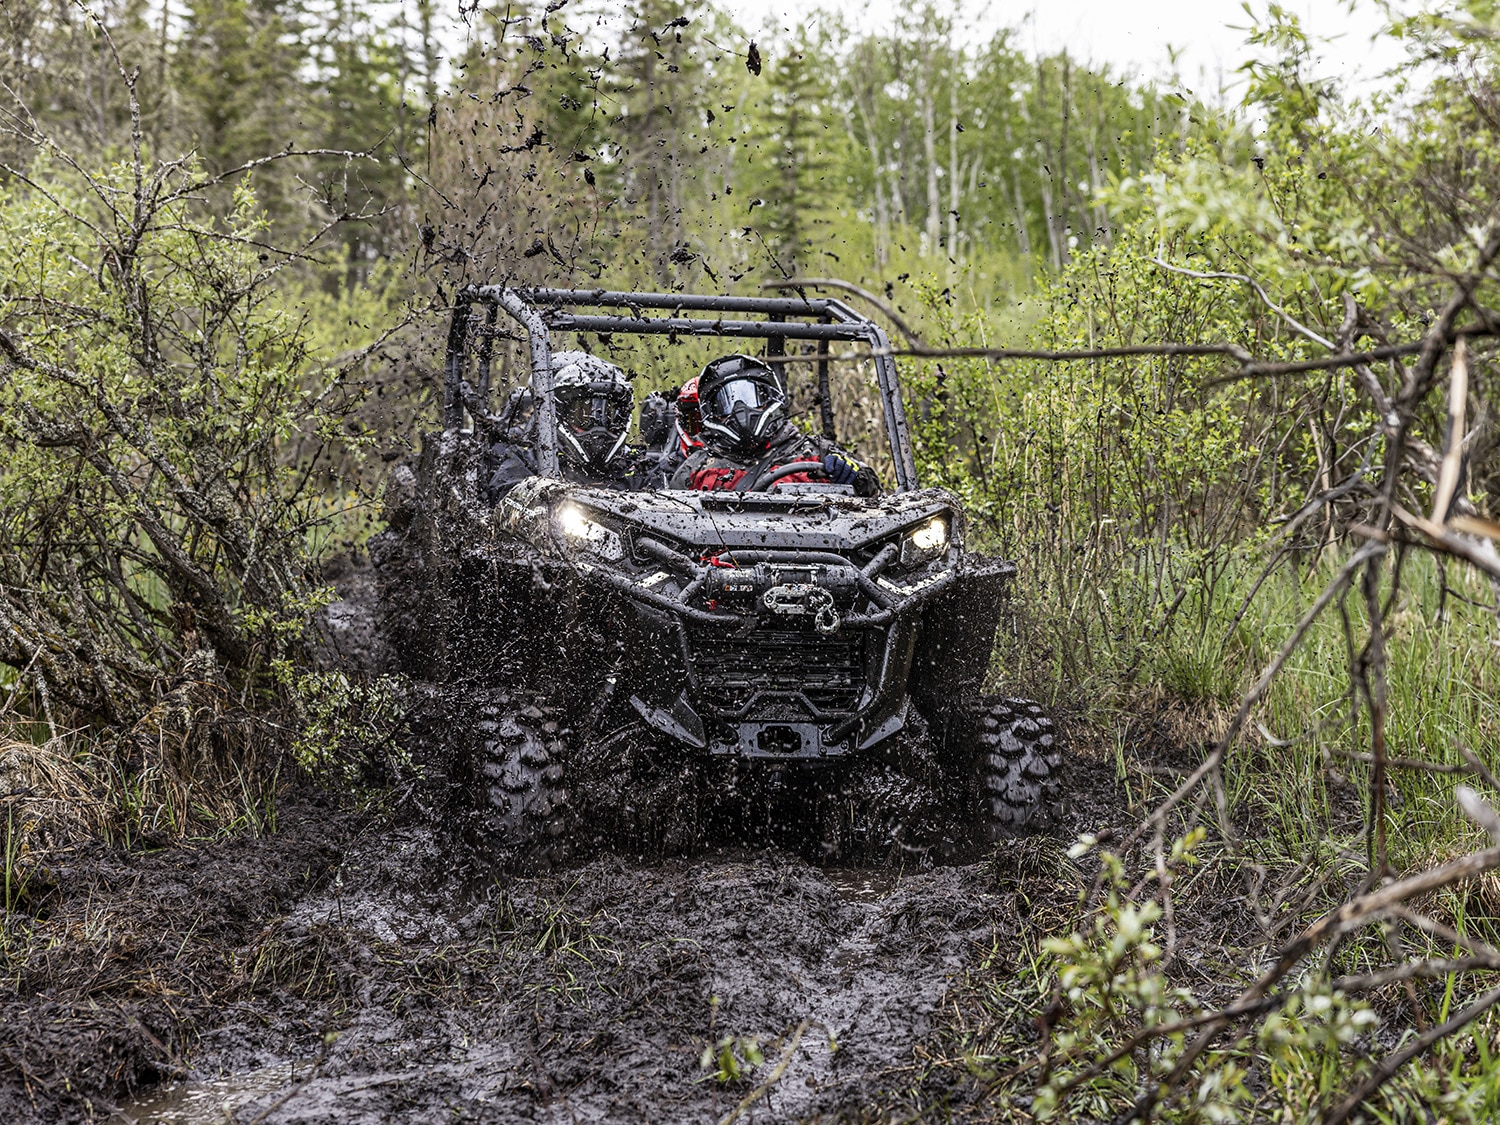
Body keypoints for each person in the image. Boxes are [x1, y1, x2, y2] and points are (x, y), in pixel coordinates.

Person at [668, 354, 880, 496]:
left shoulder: (816, 453)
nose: (741, 411)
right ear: (711, 414)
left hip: (819, 560)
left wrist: (855, 478)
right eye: (725, 404)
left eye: (751, 398)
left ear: (770, 398)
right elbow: (672, 527)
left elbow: (876, 499)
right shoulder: (697, 469)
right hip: (722, 563)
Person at [487, 351, 656, 499]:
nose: (598, 428)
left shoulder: (637, 467)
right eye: (583, 414)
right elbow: (505, 494)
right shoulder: (530, 460)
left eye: (608, 415)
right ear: (560, 413)